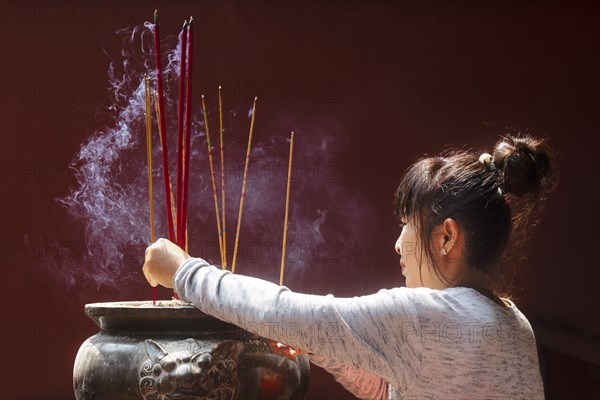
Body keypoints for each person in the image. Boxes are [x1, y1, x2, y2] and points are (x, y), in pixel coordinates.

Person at [143, 133, 557, 399]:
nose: (397, 245)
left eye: (407, 227)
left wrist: (183, 270)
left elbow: (280, 312)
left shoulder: (427, 316)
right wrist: (326, 346)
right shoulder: (512, 323)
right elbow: (396, 389)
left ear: (446, 237)